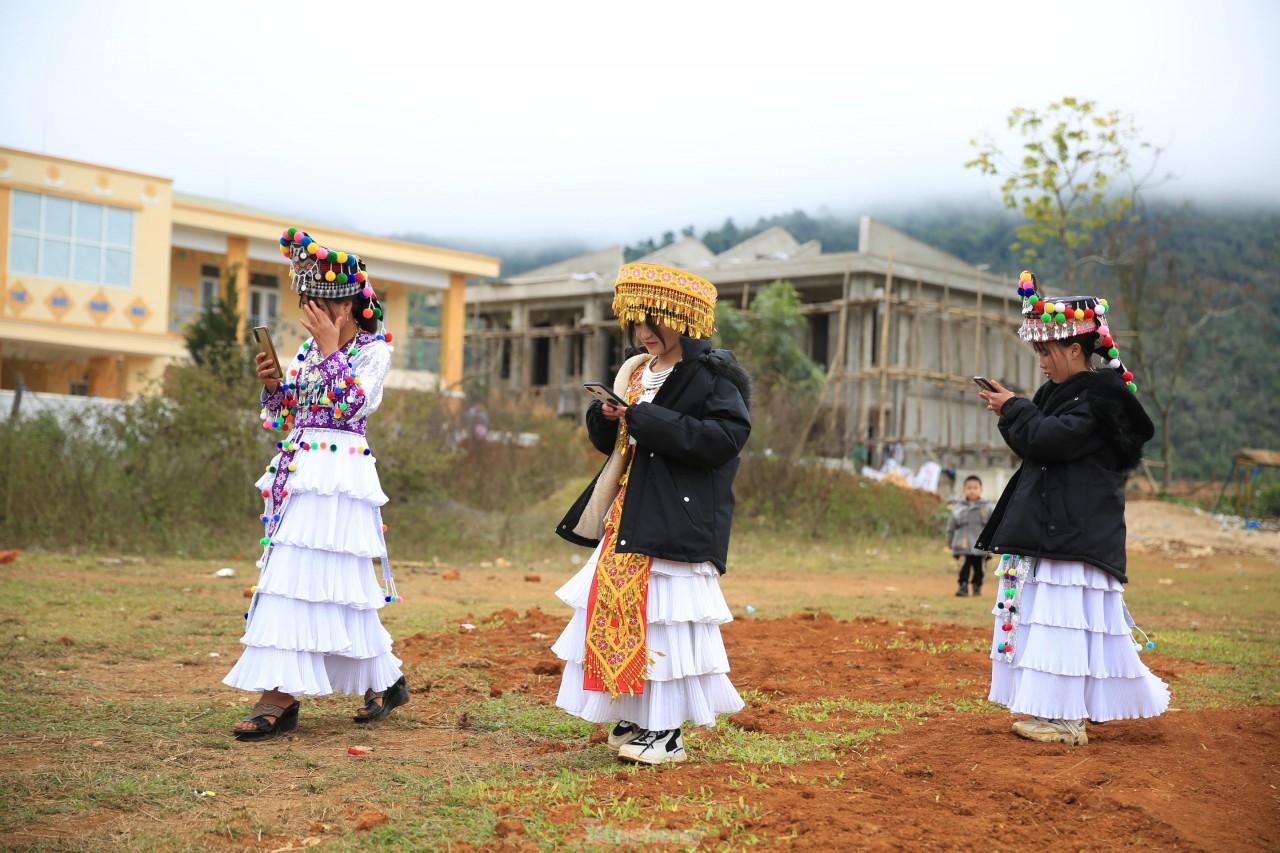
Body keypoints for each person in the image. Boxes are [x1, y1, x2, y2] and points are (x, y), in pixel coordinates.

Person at [551, 262, 752, 765]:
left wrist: (641, 416)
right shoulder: (635, 372)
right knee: (619, 610)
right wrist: (607, 416)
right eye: (636, 323)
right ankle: (636, 714)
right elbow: (615, 443)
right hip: (629, 509)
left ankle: (667, 733)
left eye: (652, 322)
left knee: (665, 618)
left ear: (682, 319)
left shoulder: (713, 376)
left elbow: (725, 439)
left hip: (677, 513)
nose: (642, 333)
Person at [224, 227, 408, 740]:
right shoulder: (307, 349)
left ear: (347, 304)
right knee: (295, 573)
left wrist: (329, 351)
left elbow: (353, 405)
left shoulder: (373, 352)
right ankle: (368, 682)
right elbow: (291, 414)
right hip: (301, 467)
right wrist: (273, 386)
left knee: (334, 580)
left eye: (317, 304)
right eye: (305, 303)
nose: (309, 313)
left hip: (341, 473)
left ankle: (283, 697)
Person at [974, 271, 1169, 746]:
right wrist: (1016, 411)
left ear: (1076, 349)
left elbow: (1047, 440)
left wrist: (1015, 409)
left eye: (1047, 351)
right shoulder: (1066, 396)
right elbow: (1037, 442)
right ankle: (1074, 711)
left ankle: (1064, 721)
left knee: (1063, 624)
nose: (1041, 361)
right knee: (1064, 623)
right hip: (1061, 531)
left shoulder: (1100, 400)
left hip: (1073, 535)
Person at [946, 475, 993, 597]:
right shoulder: (958, 509)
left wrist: (993, 543)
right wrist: (949, 541)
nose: (972, 490)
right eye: (969, 488)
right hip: (963, 545)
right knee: (963, 567)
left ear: (981, 490)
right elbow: (951, 527)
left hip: (981, 547)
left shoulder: (988, 508)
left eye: (975, 488)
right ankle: (963, 587)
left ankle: (977, 587)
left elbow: (994, 527)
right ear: (964, 490)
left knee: (980, 569)